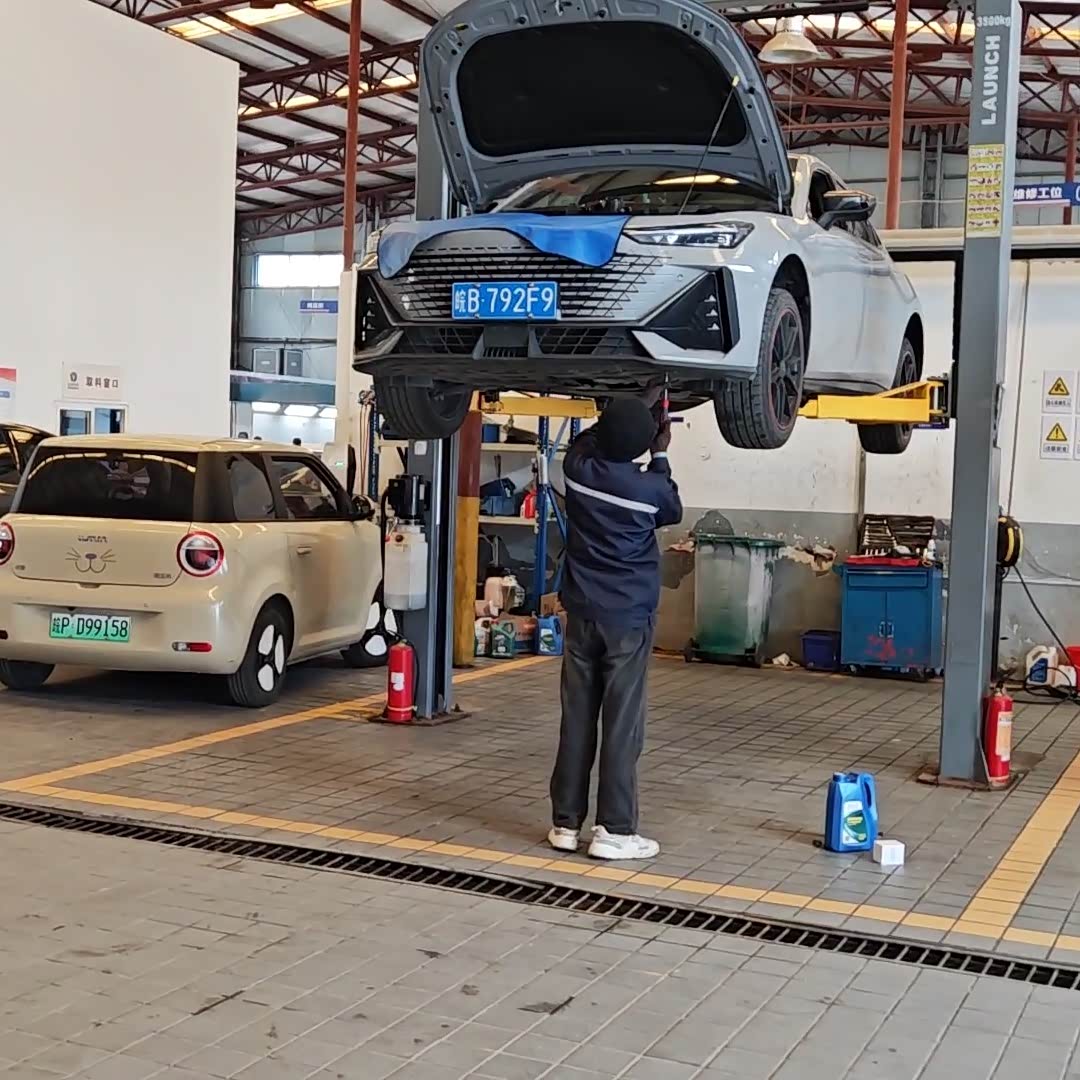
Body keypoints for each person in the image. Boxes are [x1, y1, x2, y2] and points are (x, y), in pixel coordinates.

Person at [548, 393, 682, 861]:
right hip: (627, 620)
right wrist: (660, 451)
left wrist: (629, 406)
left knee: (577, 719)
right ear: (645, 444)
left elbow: (584, 443)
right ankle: (615, 831)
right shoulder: (649, 490)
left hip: (582, 614)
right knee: (622, 724)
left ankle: (565, 824)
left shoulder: (578, 472)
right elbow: (672, 507)